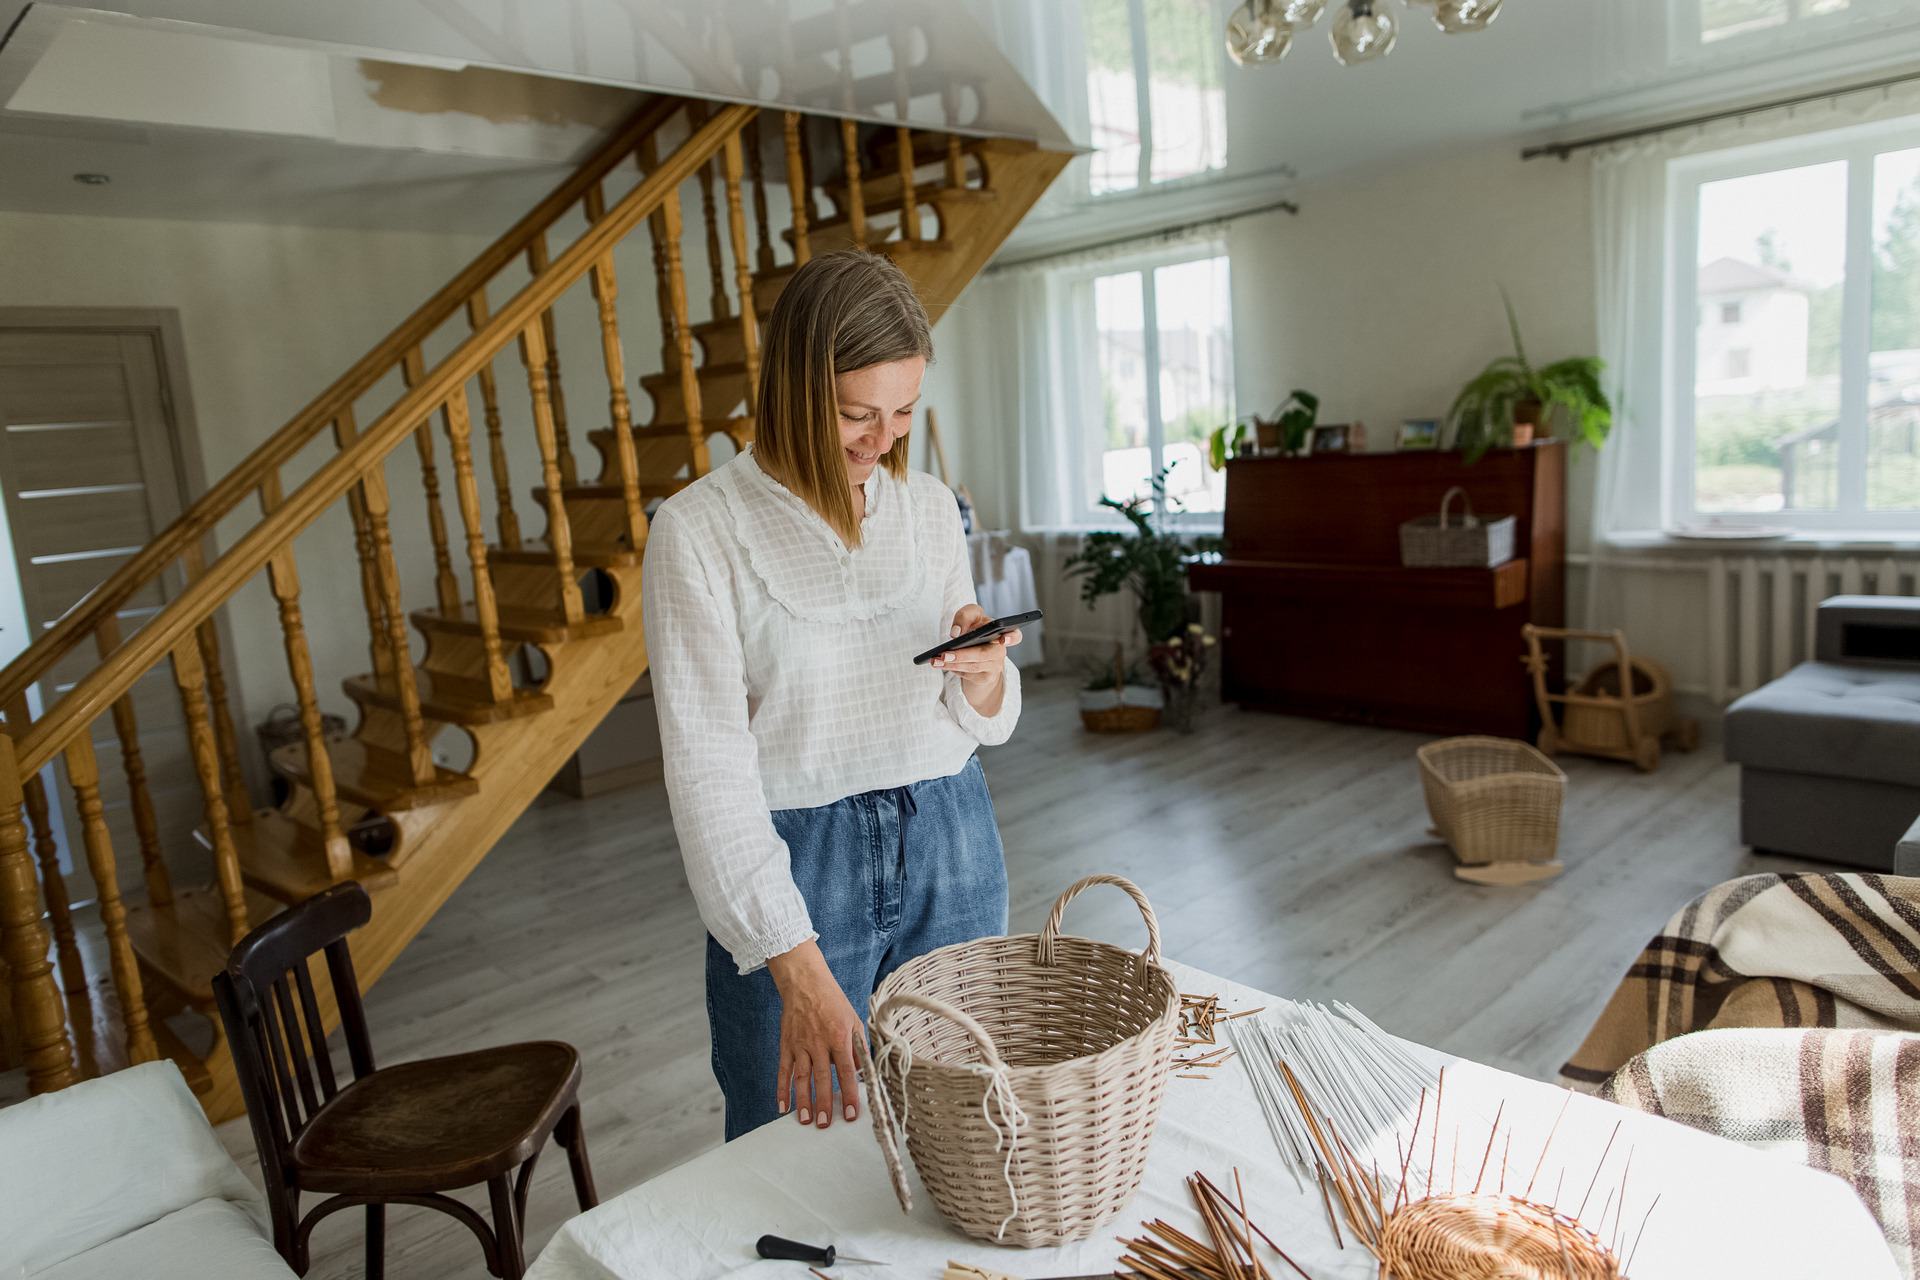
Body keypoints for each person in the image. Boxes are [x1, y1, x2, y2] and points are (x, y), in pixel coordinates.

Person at [642, 249, 1023, 1141]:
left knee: (956, 1121)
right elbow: (708, 778)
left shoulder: (928, 506)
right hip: (799, 867)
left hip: (954, 838)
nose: (882, 438)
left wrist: (987, 673)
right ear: (791, 388)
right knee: (791, 1142)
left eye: (904, 411)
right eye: (856, 413)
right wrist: (796, 966)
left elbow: (977, 723)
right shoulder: (699, 532)